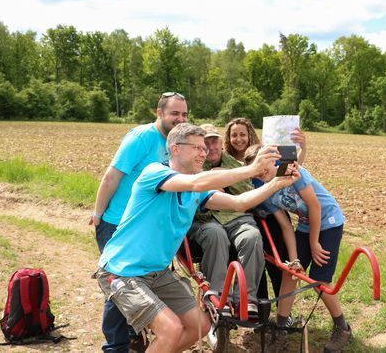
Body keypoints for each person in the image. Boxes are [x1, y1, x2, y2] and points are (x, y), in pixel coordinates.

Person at [94, 123, 299, 353]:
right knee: (170, 329)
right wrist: (252, 169)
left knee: (201, 325)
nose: (203, 153)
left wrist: (277, 183)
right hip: (122, 270)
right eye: (197, 148)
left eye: (204, 148)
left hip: (156, 273)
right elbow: (195, 181)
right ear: (175, 149)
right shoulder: (154, 173)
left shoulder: (196, 190)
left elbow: (239, 203)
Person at [89, 92, 188, 352]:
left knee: (142, 285)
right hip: (117, 223)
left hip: (146, 228)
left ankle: (135, 337)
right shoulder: (142, 137)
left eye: (184, 114)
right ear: (160, 113)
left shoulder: (178, 144)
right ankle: (115, 346)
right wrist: (98, 214)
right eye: (174, 113)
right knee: (119, 286)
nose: (180, 119)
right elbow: (112, 175)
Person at [244, 144, 352, 353]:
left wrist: (314, 243)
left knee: (320, 280)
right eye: (257, 170)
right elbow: (285, 226)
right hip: (305, 224)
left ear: (272, 159)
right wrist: (294, 261)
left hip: (328, 221)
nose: (262, 172)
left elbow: (315, 206)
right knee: (289, 275)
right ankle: (282, 329)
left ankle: (342, 327)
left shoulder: (291, 170)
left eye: (265, 165)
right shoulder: (265, 191)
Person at [222, 117, 308, 299]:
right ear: (228, 138)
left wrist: (302, 148)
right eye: (234, 135)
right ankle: (259, 312)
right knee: (254, 265)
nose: (238, 139)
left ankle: (285, 311)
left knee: (277, 263)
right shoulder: (225, 161)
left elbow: (289, 169)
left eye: (242, 134)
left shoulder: (263, 154)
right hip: (247, 218)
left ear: (250, 135)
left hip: (272, 213)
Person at [187, 123, 264, 318]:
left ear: (221, 143)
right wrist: (213, 180)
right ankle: (219, 296)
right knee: (216, 234)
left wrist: (222, 177)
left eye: (214, 142)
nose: (210, 148)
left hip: (237, 218)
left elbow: (249, 195)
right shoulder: (193, 166)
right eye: (205, 144)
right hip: (205, 221)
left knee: (252, 236)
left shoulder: (235, 166)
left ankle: (247, 300)